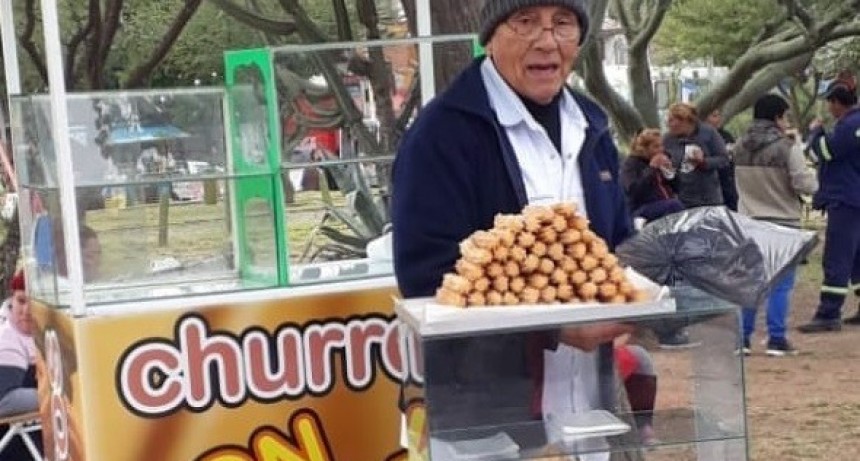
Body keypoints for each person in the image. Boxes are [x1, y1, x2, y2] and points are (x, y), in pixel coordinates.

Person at [392, 0, 633, 456]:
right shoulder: (441, 134)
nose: (546, 41)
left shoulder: (592, 125)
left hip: (587, 415)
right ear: (490, 36)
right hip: (484, 419)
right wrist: (555, 329)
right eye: (525, 22)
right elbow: (427, 275)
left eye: (562, 23)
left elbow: (617, 245)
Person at [733, 94, 818, 355]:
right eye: (785, 116)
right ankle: (776, 338)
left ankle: (743, 339)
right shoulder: (787, 148)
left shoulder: (739, 147)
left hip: (748, 221)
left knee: (750, 282)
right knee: (780, 283)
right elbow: (806, 184)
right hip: (783, 223)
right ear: (777, 117)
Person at [798, 75, 860, 333]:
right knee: (857, 257)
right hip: (853, 197)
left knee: (837, 257)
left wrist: (815, 131)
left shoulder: (849, 126)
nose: (828, 109)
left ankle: (828, 312)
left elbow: (821, 152)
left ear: (837, 103)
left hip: (845, 198)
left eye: (829, 103)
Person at [662, 103, 730, 208]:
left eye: (672, 121)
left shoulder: (709, 133)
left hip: (709, 200)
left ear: (686, 120)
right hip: (682, 200)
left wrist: (704, 162)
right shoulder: (667, 140)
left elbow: (724, 159)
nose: (669, 125)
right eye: (668, 121)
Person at [620, 128, 684, 223]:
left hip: (665, 203)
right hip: (641, 208)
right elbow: (633, 191)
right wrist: (652, 169)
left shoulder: (665, 157)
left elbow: (678, 188)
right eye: (656, 147)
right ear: (644, 149)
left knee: (679, 205)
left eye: (661, 146)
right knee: (674, 205)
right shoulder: (631, 164)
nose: (661, 150)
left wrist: (670, 173)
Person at [0, 271, 37, 417]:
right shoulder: (7, 339)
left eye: (34, 303)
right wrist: (55, 397)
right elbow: (3, 399)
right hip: (17, 435)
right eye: (21, 301)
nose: (27, 311)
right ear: (12, 301)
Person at [706, 108, 739, 211]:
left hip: (729, 183)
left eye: (718, 115)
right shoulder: (701, 138)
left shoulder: (726, 136)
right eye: (714, 116)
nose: (718, 119)